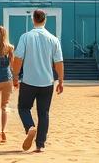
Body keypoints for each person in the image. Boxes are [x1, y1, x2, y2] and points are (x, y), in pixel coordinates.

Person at [11, 9, 64, 153]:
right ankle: (40, 145)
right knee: (43, 113)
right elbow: (58, 61)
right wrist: (60, 80)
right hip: (47, 82)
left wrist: (15, 76)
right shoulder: (53, 39)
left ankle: (30, 127)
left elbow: (18, 58)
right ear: (45, 20)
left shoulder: (26, 37)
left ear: (33, 20)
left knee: (23, 108)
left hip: (29, 81)